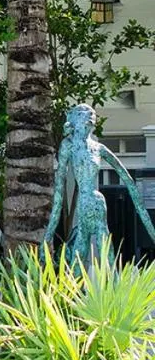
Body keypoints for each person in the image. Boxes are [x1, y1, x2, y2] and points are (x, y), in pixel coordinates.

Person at [43, 103, 155, 264]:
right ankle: (75, 288)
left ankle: (113, 285)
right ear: (75, 119)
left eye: (92, 114)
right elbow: (59, 193)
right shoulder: (68, 146)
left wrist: (147, 222)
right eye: (84, 113)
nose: (90, 116)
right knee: (79, 255)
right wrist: (48, 236)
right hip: (83, 204)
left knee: (105, 250)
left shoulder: (98, 148)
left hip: (97, 201)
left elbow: (128, 180)